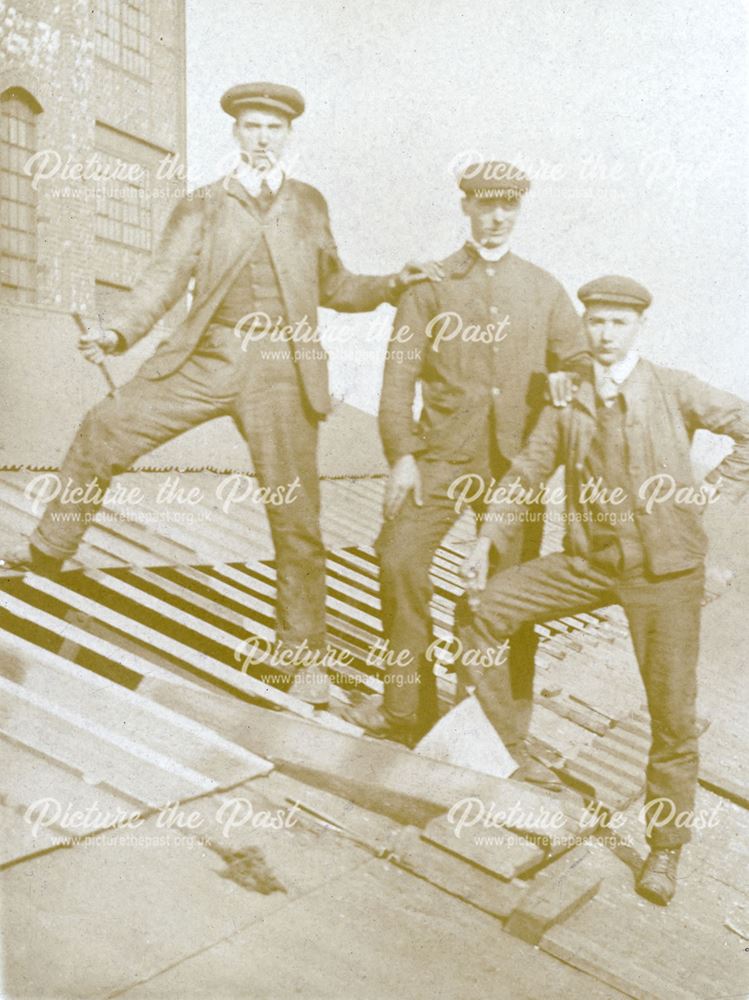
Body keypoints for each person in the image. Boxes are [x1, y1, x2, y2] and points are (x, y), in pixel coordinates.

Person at [0, 82, 439, 705]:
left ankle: (304, 658)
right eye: (252, 126)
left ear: (289, 135)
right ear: (235, 132)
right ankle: (49, 549)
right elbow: (161, 281)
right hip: (209, 358)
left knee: (296, 517)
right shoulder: (203, 205)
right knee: (105, 425)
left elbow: (335, 286)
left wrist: (393, 283)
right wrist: (117, 331)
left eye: (274, 128)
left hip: (284, 374)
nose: (262, 138)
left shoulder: (310, 204)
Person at [456, 274, 749, 904]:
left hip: (666, 573)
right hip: (590, 562)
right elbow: (530, 469)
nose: (605, 333)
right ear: (585, 326)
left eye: (618, 322)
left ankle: (665, 852)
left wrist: (712, 491)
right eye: (596, 321)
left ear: (638, 326)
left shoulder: (672, 387)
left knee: (671, 715)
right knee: (482, 608)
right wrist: (484, 543)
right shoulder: (568, 400)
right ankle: (516, 753)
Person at [343, 161, 591, 765]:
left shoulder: (543, 288)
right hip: (439, 456)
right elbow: (397, 377)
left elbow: (581, 359)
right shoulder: (429, 286)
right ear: (466, 208)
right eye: (485, 206)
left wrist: (568, 375)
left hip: (515, 468)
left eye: (507, 207)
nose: (497, 217)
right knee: (398, 558)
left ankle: (493, 727)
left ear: (518, 211)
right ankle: (405, 707)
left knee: (508, 595)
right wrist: (401, 456)